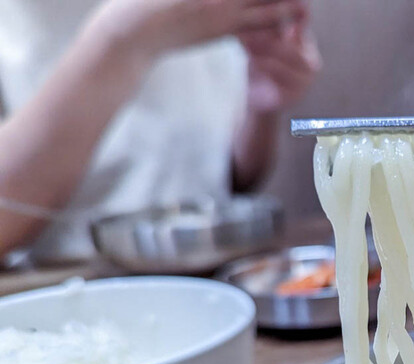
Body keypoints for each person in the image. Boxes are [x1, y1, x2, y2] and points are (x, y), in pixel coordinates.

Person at [0, 0, 322, 262]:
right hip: (66, 287)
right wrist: (122, 39)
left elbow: (231, 176)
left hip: (218, 271)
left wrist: (259, 106)